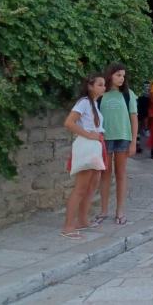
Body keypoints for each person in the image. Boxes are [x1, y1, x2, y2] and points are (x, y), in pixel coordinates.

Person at [61, 74, 107, 239]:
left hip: (95, 146)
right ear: (90, 86)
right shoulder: (84, 102)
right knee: (81, 187)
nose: (104, 87)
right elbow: (69, 122)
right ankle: (68, 226)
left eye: (104, 85)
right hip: (87, 146)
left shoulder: (93, 103)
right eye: (100, 85)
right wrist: (88, 134)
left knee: (92, 185)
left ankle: (82, 220)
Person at [97, 64, 138, 226]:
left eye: (123, 76)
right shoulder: (102, 95)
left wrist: (134, 141)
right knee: (105, 175)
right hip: (105, 138)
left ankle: (120, 211)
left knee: (121, 174)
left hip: (123, 138)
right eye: (118, 75)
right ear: (110, 76)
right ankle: (104, 210)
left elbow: (133, 119)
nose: (121, 78)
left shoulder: (128, 95)